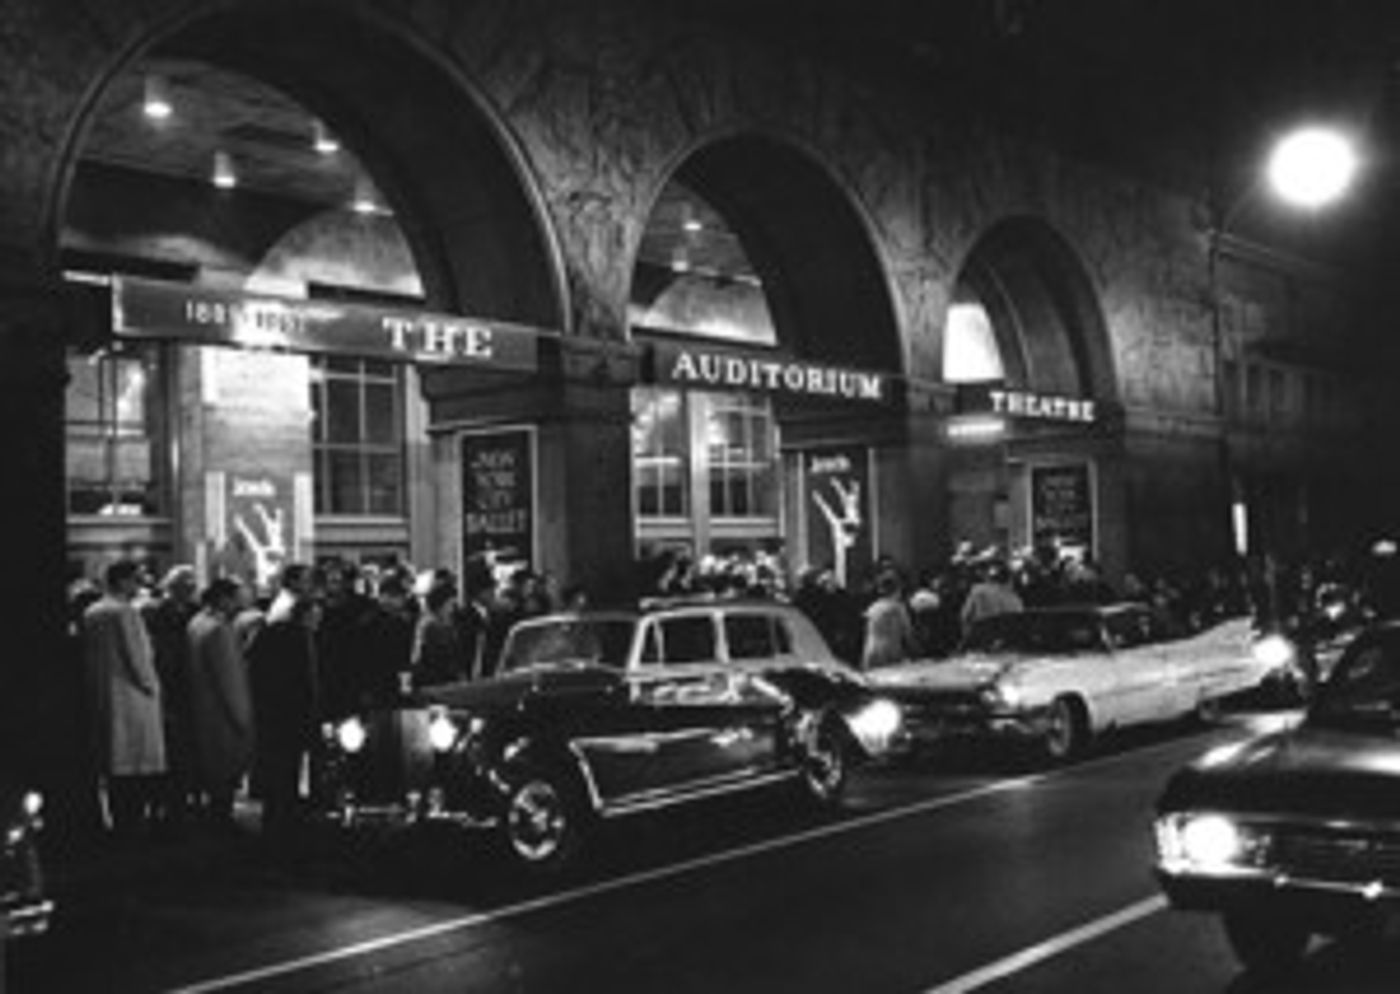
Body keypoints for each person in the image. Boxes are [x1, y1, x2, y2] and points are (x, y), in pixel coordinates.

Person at [82, 559, 166, 839]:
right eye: (135, 579)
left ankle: (120, 824)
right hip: (132, 698)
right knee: (134, 768)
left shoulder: (93, 611)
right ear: (121, 581)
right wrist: (153, 687)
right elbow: (137, 658)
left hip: (104, 693)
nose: (139, 584)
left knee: (114, 766)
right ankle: (132, 827)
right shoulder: (124, 612)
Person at [247, 563, 321, 838]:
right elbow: (304, 683)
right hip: (289, 717)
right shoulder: (295, 637)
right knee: (285, 777)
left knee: (281, 777)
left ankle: (278, 825)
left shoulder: (278, 632)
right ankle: (283, 831)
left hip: (275, 716)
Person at [186, 578, 254, 831]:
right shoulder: (219, 629)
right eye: (236, 597)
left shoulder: (197, 623)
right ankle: (221, 823)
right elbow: (229, 679)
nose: (240, 602)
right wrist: (242, 718)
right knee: (224, 773)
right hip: (221, 713)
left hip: (203, 706)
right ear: (224, 599)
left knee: (213, 771)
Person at [141, 564, 200, 830]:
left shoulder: (192, 611)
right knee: (165, 753)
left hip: (187, 688)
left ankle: (180, 805)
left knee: (184, 753)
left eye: (192, 584)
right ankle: (160, 806)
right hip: (164, 686)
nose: (191, 589)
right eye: (186, 584)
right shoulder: (153, 612)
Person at [411, 580, 467, 688]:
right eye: (450, 604)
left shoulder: (427, 622)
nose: (452, 609)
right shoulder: (434, 626)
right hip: (437, 682)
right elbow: (445, 658)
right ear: (440, 605)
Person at [861, 570, 918, 670]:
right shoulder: (898, 608)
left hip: (871, 651)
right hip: (890, 653)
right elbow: (908, 634)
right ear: (898, 590)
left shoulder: (873, 608)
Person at [960, 560, 1024, 635]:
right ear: (1010, 580)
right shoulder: (1015, 599)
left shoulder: (978, 590)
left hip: (982, 637)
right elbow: (1018, 624)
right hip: (1005, 639)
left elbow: (965, 616)